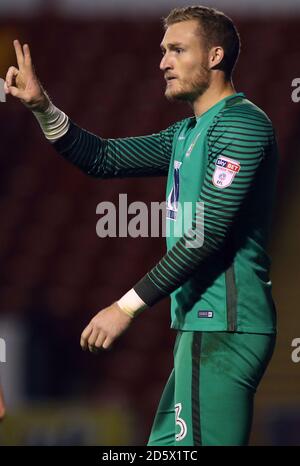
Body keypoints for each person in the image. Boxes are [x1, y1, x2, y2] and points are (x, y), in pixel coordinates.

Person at [4, 5, 278, 446]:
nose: (163, 62)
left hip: (225, 324)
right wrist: (42, 107)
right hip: (199, 328)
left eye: (176, 49)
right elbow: (101, 157)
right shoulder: (186, 133)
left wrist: (124, 307)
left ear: (214, 56)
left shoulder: (243, 126)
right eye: (162, 50)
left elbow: (204, 234)